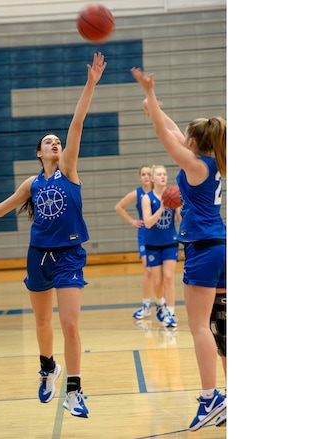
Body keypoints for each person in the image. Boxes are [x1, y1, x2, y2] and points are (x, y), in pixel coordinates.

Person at [0, 52, 107, 419]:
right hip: (38, 254)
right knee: (42, 322)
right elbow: (0, 208)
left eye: (57, 141)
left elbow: (77, 123)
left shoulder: (70, 171)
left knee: (70, 323)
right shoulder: (31, 183)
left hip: (70, 255)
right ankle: (48, 368)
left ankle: (74, 390)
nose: (55, 143)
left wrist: (90, 84)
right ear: (39, 152)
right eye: (48, 142)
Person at [131, 66, 227, 431]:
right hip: (222, 246)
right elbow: (170, 128)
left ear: (192, 143)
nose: (180, 137)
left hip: (203, 249)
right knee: (222, 327)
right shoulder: (211, 160)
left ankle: (210, 399)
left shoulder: (193, 164)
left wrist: (152, 96)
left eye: (185, 137)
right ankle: (229, 396)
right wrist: (152, 103)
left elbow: (163, 134)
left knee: (199, 326)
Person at [114, 165, 166, 323]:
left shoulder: (159, 193)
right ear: (140, 177)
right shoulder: (137, 194)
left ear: (152, 177)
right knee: (149, 271)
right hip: (145, 236)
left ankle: (160, 304)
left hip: (161, 236)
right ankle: (146, 306)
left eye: (147, 174)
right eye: (142, 174)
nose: (145, 177)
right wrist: (132, 221)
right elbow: (119, 207)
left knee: (161, 275)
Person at [141, 165, 181, 329]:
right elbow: (148, 223)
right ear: (152, 179)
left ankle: (170, 313)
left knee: (169, 277)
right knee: (158, 282)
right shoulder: (147, 198)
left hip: (170, 241)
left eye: (164, 174)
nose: (163, 177)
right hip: (152, 244)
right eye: (159, 174)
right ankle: (160, 303)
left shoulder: (173, 196)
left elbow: (179, 219)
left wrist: (180, 207)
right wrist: (163, 207)